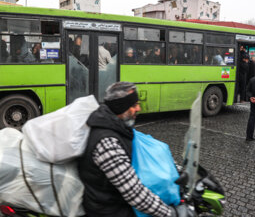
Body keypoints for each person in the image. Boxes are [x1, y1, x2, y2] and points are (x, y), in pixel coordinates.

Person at [78, 82, 195, 217]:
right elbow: (134, 193)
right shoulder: (107, 143)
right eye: (133, 105)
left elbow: (150, 151)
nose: (139, 108)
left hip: (119, 202)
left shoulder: (117, 126)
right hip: (110, 210)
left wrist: (176, 169)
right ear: (120, 107)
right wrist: (171, 213)